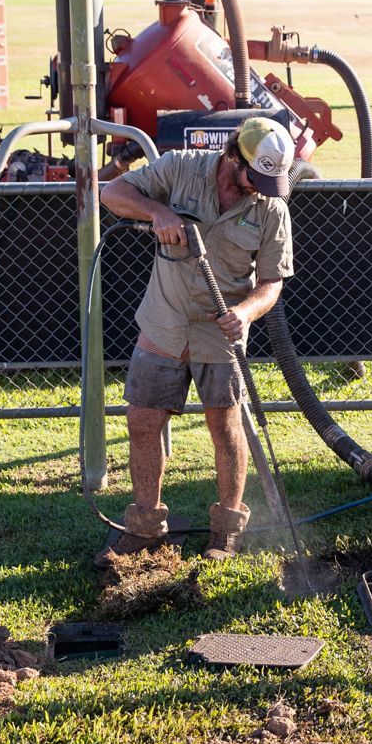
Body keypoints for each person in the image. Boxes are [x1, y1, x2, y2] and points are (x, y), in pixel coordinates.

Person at [96, 117, 296, 559]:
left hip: (220, 334)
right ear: (232, 156)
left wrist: (246, 313)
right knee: (143, 422)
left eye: (270, 180)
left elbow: (271, 284)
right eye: (255, 177)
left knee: (225, 428)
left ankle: (226, 529)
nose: (260, 188)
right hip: (163, 324)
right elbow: (112, 193)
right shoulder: (180, 168)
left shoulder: (270, 208)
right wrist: (158, 211)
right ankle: (146, 525)